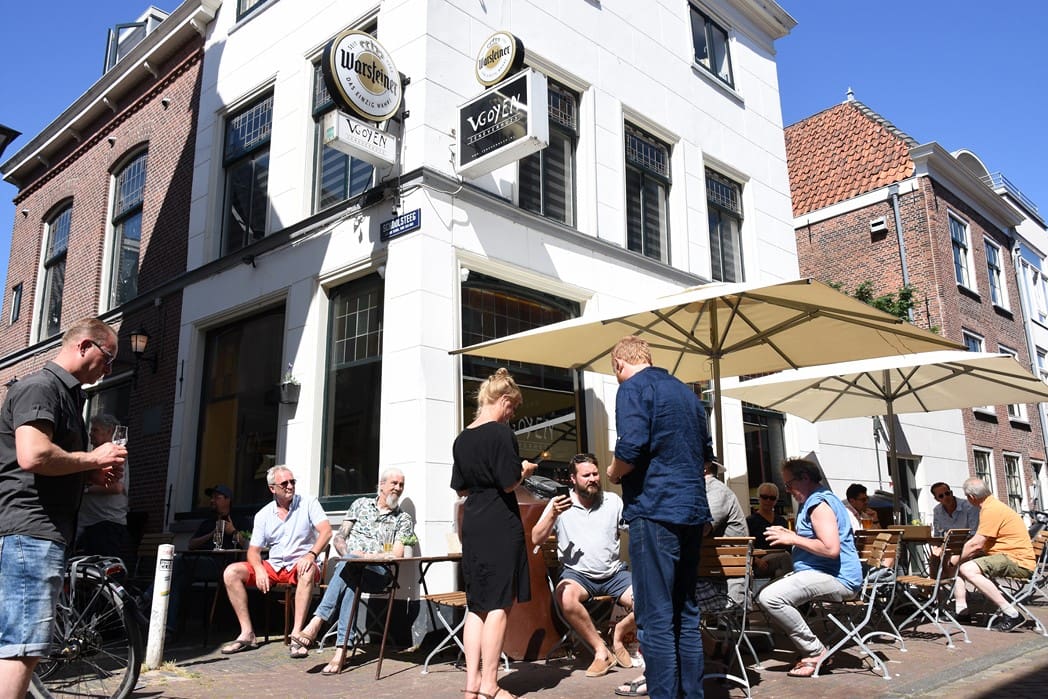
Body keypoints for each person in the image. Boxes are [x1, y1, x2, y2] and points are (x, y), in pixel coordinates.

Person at [0, 318, 127, 699]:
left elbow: (49, 465)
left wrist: (88, 476)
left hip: (41, 532)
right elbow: (34, 455)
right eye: (108, 359)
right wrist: (93, 459)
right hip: (30, 531)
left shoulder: (68, 396)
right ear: (84, 346)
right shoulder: (41, 388)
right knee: (23, 645)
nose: (108, 370)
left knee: (21, 641)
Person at [606, 336, 713, 699]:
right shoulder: (688, 394)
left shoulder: (632, 387)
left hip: (655, 508)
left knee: (654, 615)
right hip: (692, 510)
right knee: (685, 610)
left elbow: (631, 447)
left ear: (619, 364)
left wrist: (614, 472)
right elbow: (706, 456)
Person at [451, 368, 537, 699]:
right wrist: (524, 470)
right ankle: (490, 684)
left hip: (473, 522)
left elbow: (461, 488)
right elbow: (509, 483)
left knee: (477, 606)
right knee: (500, 603)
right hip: (499, 522)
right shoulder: (501, 434)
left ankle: (472, 684)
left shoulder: (462, 438)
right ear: (502, 400)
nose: (511, 414)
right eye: (512, 407)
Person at [290, 467, 415, 674]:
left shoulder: (403, 519)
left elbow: (396, 554)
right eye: (394, 483)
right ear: (381, 485)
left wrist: (363, 557)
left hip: (380, 574)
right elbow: (339, 537)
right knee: (351, 576)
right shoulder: (360, 505)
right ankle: (341, 651)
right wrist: (348, 554)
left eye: (401, 485)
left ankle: (317, 621)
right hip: (353, 569)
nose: (398, 488)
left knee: (352, 565)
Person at [530, 453, 635, 678]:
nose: (592, 479)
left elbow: (632, 528)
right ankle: (601, 651)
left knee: (650, 598)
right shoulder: (559, 504)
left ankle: (618, 634)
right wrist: (553, 514)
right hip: (578, 575)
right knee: (565, 596)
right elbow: (536, 538)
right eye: (586, 475)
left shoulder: (612, 501)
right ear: (573, 479)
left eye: (595, 474)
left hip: (614, 574)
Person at [757, 458, 863, 678]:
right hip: (823, 574)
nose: (788, 490)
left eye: (789, 484)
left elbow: (830, 549)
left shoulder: (818, 505)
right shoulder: (816, 500)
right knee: (766, 594)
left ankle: (815, 651)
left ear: (805, 478)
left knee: (771, 597)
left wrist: (793, 538)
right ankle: (812, 648)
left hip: (838, 578)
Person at [220, 465, 332, 656]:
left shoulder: (308, 503)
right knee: (231, 572)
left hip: (301, 564)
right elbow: (253, 551)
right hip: (275, 566)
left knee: (307, 570)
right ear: (272, 488)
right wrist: (259, 569)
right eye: (284, 483)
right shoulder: (263, 515)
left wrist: (311, 555)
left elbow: (326, 531)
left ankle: (297, 634)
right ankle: (247, 633)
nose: (290, 486)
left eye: (292, 482)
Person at [952, 477, 1036, 632]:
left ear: (971, 497)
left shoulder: (991, 510)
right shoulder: (992, 506)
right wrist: (959, 558)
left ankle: (1011, 613)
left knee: (967, 569)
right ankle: (962, 611)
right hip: (1007, 556)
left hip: (1017, 561)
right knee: (961, 564)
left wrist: (955, 557)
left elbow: (977, 543)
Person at [76, 413, 129, 557]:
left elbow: (116, 487)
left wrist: (85, 489)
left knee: (100, 567)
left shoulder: (115, 454)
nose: (90, 434)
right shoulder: (94, 455)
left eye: (95, 430)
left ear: (110, 431)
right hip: (87, 523)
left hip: (105, 522)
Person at [704, 461, 749, 603]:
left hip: (725, 575)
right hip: (713, 568)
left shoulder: (716, 490)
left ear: (705, 468)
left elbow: (703, 528)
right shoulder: (707, 491)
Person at [746, 482, 793, 580]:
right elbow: (745, 546)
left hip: (781, 560)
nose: (768, 500)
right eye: (764, 497)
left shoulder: (781, 521)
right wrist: (755, 560)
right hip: (760, 563)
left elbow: (789, 546)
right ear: (758, 498)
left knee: (781, 571)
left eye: (772, 498)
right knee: (785, 558)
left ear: (776, 500)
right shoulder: (750, 521)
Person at [188, 484, 251, 551]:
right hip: (204, 556)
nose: (212, 500)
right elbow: (191, 545)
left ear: (227, 500)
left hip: (228, 557)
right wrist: (212, 534)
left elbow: (250, 546)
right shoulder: (207, 523)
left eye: (216, 497)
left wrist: (233, 531)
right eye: (211, 497)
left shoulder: (241, 521)